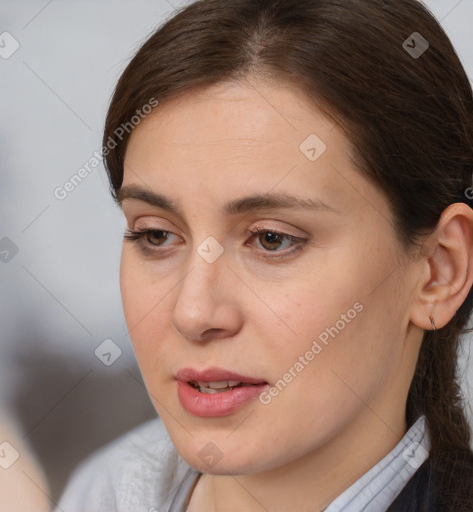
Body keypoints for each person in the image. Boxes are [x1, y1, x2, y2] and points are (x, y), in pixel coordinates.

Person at [58, 0, 473, 510]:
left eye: (272, 239)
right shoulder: (106, 491)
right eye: (157, 235)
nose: (193, 313)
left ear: (439, 271)